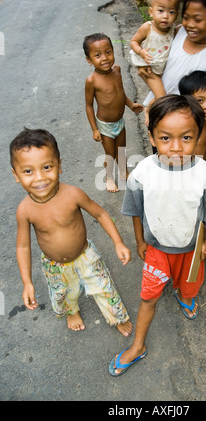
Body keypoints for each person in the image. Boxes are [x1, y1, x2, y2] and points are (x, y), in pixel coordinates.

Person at [108, 94, 206, 376]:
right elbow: (136, 211)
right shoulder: (142, 172)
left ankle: (185, 297)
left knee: (188, 287)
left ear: (199, 135)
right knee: (148, 297)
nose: (176, 147)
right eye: (165, 138)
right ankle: (138, 345)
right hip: (157, 252)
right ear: (151, 137)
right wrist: (140, 241)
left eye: (186, 138)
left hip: (191, 251)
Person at [10, 128, 133, 335]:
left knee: (104, 288)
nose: (40, 177)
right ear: (16, 175)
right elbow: (23, 246)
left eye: (47, 167)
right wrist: (27, 282)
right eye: (28, 171)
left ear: (59, 166)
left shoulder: (73, 194)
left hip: (86, 256)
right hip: (55, 266)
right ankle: (71, 311)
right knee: (63, 294)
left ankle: (116, 316)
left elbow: (101, 214)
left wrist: (118, 242)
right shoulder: (25, 210)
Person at [141, 0, 206, 123]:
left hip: (186, 118)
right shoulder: (177, 32)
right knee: (158, 142)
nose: (190, 25)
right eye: (186, 18)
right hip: (158, 107)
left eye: (198, 20)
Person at [83, 33, 143, 193]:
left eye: (108, 52)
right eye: (97, 55)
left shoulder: (117, 70)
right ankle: (109, 177)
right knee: (110, 154)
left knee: (121, 149)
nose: (105, 58)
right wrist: (95, 129)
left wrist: (131, 105)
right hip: (105, 125)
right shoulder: (92, 81)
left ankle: (124, 173)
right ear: (89, 60)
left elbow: (120, 93)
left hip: (120, 121)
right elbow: (89, 106)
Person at [130, 0, 180, 100]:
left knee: (159, 95)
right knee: (162, 98)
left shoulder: (173, 30)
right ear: (151, 12)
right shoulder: (147, 28)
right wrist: (141, 51)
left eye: (171, 12)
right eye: (161, 11)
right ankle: (152, 114)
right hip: (150, 70)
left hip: (162, 69)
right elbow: (133, 41)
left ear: (177, 15)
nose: (165, 16)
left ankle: (149, 109)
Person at [179, 70, 206, 161]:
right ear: (185, 100)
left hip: (199, 170)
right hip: (179, 169)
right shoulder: (179, 124)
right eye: (200, 101)